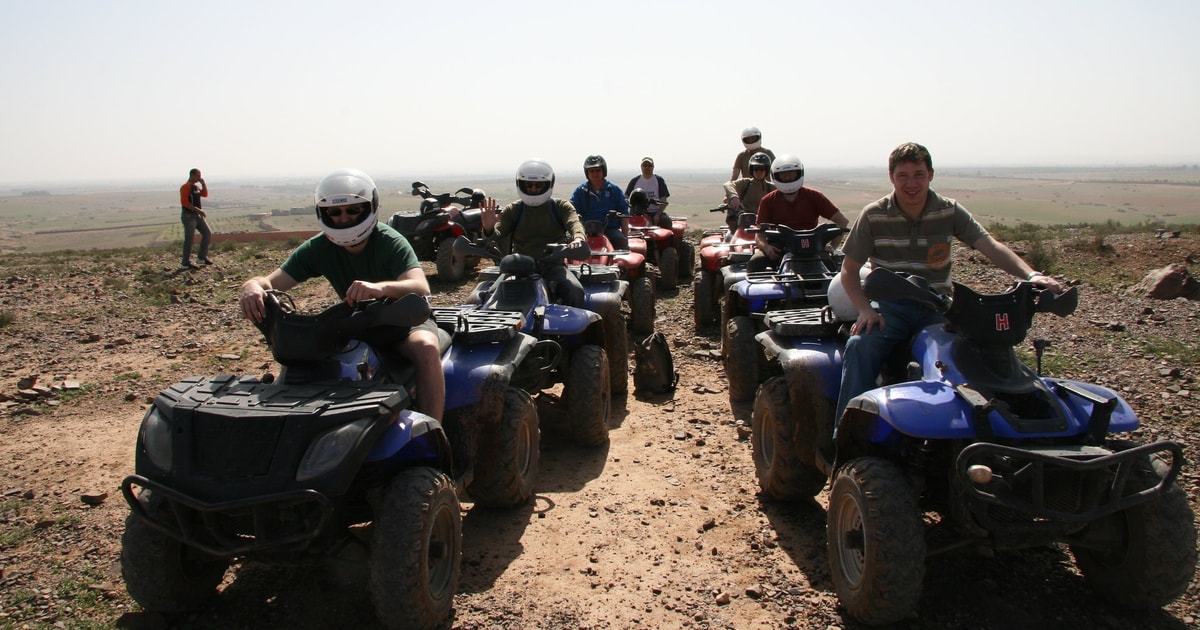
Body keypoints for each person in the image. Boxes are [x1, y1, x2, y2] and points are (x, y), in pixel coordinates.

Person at [832, 142, 1065, 437]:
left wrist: (1032, 275)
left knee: (977, 359)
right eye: (903, 176)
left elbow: (990, 246)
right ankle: (847, 437)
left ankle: (989, 433)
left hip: (938, 307)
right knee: (860, 347)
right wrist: (865, 310)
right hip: (890, 307)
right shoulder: (874, 214)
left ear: (930, 174)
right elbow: (849, 270)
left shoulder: (948, 210)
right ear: (891, 177)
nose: (911, 183)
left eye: (918, 174)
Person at [238, 168, 445, 421]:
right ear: (324, 214)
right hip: (358, 322)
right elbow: (271, 281)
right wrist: (251, 286)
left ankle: (432, 436)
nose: (344, 217)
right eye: (335, 212)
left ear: (370, 208)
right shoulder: (319, 248)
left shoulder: (390, 240)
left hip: (404, 319)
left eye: (353, 210)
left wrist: (380, 288)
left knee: (426, 348)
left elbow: (420, 286)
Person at [481, 159, 588, 307]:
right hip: (519, 269)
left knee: (575, 291)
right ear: (520, 184)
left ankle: (576, 330)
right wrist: (488, 228)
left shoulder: (561, 207)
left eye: (539, 185)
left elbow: (574, 223)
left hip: (553, 267)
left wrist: (578, 238)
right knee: (490, 296)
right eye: (528, 185)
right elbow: (497, 233)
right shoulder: (514, 209)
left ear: (549, 184)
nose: (533, 188)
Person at [746, 154, 850, 273]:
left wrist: (832, 247)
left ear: (799, 173)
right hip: (780, 248)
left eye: (791, 174)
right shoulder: (768, 201)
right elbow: (759, 233)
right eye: (783, 175)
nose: (788, 177)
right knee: (756, 262)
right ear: (775, 176)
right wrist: (767, 248)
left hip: (812, 248)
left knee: (831, 267)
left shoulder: (814, 196)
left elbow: (842, 221)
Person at [570, 154, 630, 249]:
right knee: (569, 247)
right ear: (587, 173)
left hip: (609, 229)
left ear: (604, 171)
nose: (595, 174)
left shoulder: (614, 190)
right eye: (591, 171)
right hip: (585, 231)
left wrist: (625, 236)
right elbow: (571, 212)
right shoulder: (580, 191)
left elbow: (624, 214)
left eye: (598, 170)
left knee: (621, 241)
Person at [721, 152, 775, 230]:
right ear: (751, 169)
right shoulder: (746, 183)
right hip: (743, 223)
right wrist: (733, 197)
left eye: (762, 169)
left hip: (764, 226)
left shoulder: (771, 188)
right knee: (732, 238)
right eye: (756, 169)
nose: (758, 172)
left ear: (766, 170)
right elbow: (728, 184)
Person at [179, 168, 213, 270]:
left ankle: (202, 257)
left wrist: (203, 184)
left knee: (207, 233)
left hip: (197, 215)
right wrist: (198, 210)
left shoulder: (196, 187)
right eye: (198, 176)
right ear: (192, 175)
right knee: (189, 239)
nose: (199, 178)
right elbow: (185, 202)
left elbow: (205, 194)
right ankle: (185, 263)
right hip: (189, 216)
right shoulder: (185, 187)